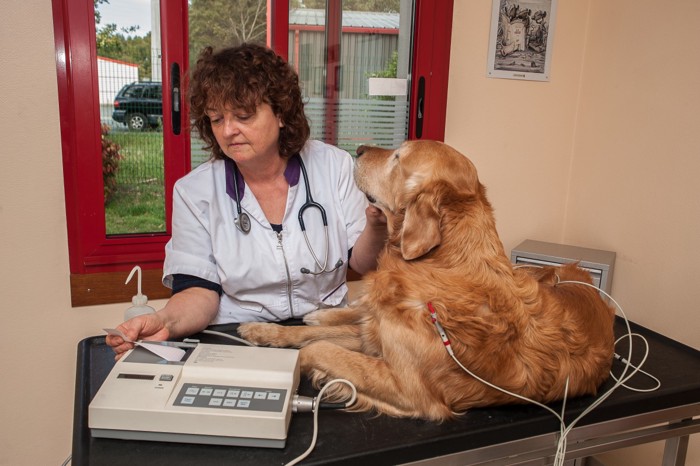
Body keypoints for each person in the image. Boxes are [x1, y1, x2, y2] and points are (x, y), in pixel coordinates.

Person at [107, 43, 387, 358]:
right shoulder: (195, 192)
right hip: (239, 336)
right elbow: (199, 291)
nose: (228, 131)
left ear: (281, 113)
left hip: (322, 332)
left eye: (243, 115)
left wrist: (378, 226)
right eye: (216, 119)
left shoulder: (333, 166)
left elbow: (362, 263)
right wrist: (164, 322)